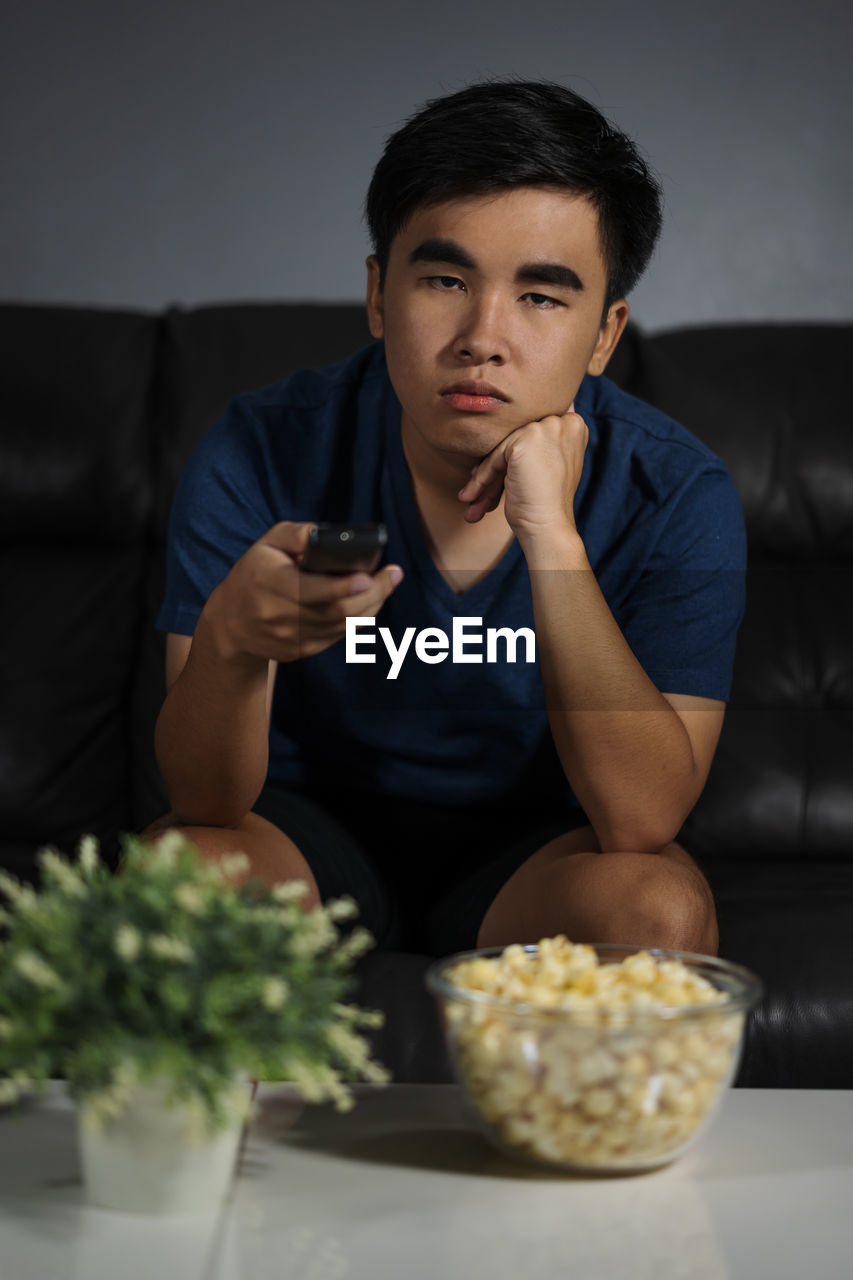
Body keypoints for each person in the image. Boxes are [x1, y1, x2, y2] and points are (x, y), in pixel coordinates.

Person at [150, 79, 746, 959]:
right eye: (442, 278)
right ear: (380, 295)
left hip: (533, 852)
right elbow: (202, 802)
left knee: (656, 908)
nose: (482, 335)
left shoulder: (675, 490)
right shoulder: (262, 448)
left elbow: (638, 819)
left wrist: (551, 533)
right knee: (179, 869)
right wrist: (234, 644)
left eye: (541, 297)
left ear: (602, 335)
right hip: (303, 835)